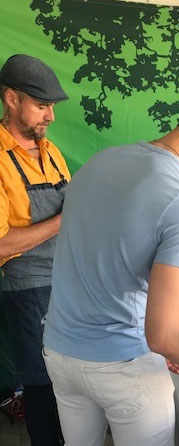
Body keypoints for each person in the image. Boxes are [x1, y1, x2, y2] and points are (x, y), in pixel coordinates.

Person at [42, 91, 179, 446]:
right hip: (122, 365)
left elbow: (104, 268)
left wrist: (170, 348)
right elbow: (165, 336)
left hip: (61, 352)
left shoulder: (99, 162)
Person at [0, 54, 70, 444]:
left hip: (69, 281)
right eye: (42, 106)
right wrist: (65, 220)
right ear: (12, 99)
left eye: (53, 107)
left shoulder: (52, 152)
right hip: (28, 289)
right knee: (44, 388)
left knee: (73, 380)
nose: (51, 117)